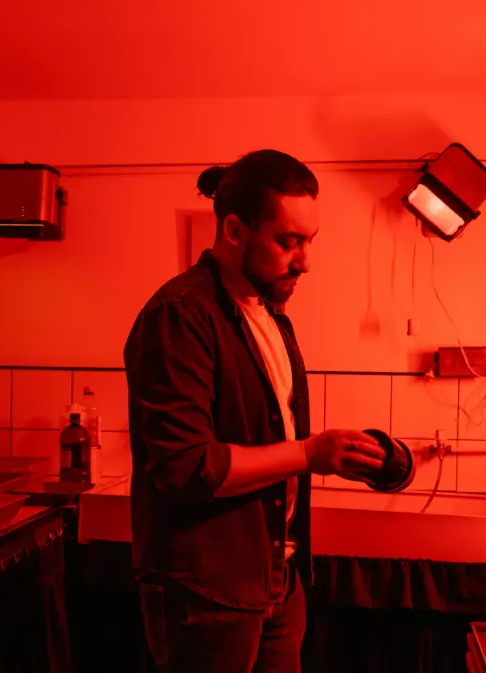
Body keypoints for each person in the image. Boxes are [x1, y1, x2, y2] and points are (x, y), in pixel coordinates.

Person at [124, 149, 387, 673]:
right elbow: (186, 467)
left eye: (310, 240)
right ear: (234, 230)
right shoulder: (180, 317)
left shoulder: (269, 315)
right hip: (206, 591)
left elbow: (266, 435)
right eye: (288, 241)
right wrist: (311, 453)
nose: (305, 260)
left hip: (277, 576)